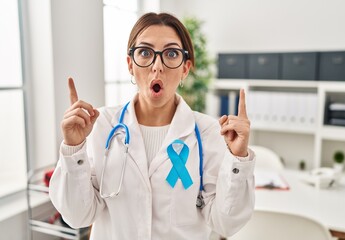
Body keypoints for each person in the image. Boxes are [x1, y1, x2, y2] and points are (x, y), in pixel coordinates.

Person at [49, 12, 255, 240]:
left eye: (171, 53)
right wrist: (73, 148)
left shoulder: (207, 132)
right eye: (145, 53)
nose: (157, 66)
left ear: (185, 69)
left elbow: (224, 224)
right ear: (130, 65)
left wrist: (239, 159)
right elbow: (78, 216)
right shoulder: (103, 125)